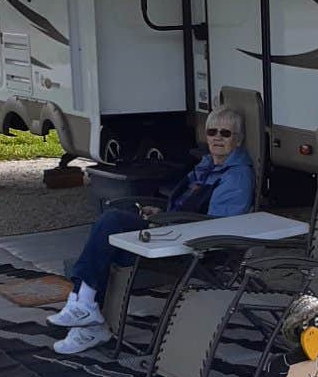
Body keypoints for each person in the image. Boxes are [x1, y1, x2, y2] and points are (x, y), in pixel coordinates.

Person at [48, 110, 255, 354]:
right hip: (174, 230)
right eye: (212, 132)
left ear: (238, 140)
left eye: (226, 133)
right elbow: (188, 204)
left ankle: (85, 310)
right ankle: (85, 309)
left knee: (112, 227)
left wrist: (167, 222)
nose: (217, 138)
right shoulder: (208, 165)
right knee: (110, 232)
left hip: (192, 248)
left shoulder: (236, 176)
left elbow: (217, 227)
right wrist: (160, 211)